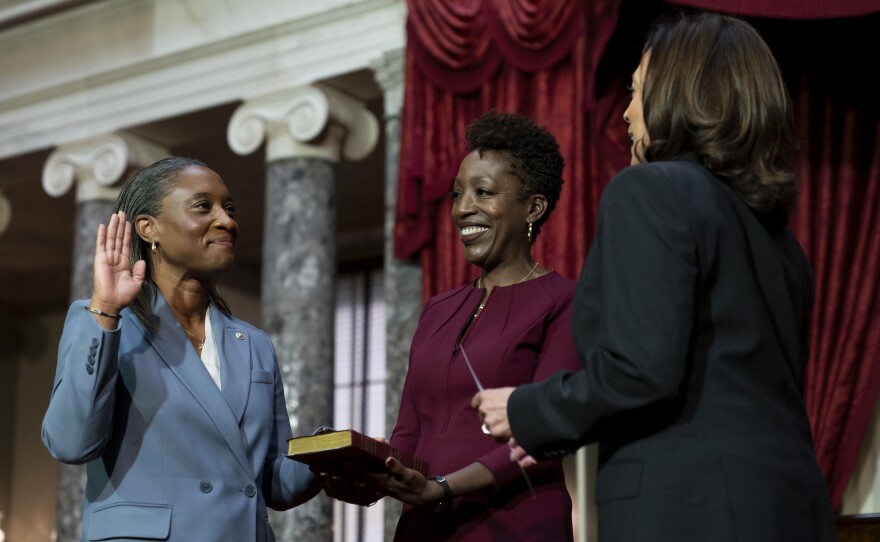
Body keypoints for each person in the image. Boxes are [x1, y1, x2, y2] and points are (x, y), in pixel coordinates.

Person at [473, 12, 837, 542]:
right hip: (791, 509)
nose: (624, 113)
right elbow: (711, 384)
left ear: (679, 96)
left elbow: (640, 372)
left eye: (638, 92)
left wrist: (526, 409)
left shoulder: (648, 190)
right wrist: (562, 427)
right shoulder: (783, 244)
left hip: (690, 510)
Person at [321, 111, 581, 541]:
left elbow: (547, 433)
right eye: (458, 194)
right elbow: (409, 432)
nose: (463, 208)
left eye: (484, 192)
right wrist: (372, 477)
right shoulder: (438, 308)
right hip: (426, 526)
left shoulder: (565, 301)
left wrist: (442, 489)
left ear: (533, 207)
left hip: (516, 525)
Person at [41, 157, 320, 541]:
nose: (227, 220)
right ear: (148, 227)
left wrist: (329, 462)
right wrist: (105, 309)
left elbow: (270, 480)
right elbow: (71, 442)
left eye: (230, 208)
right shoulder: (105, 322)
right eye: (203, 206)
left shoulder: (253, 343)